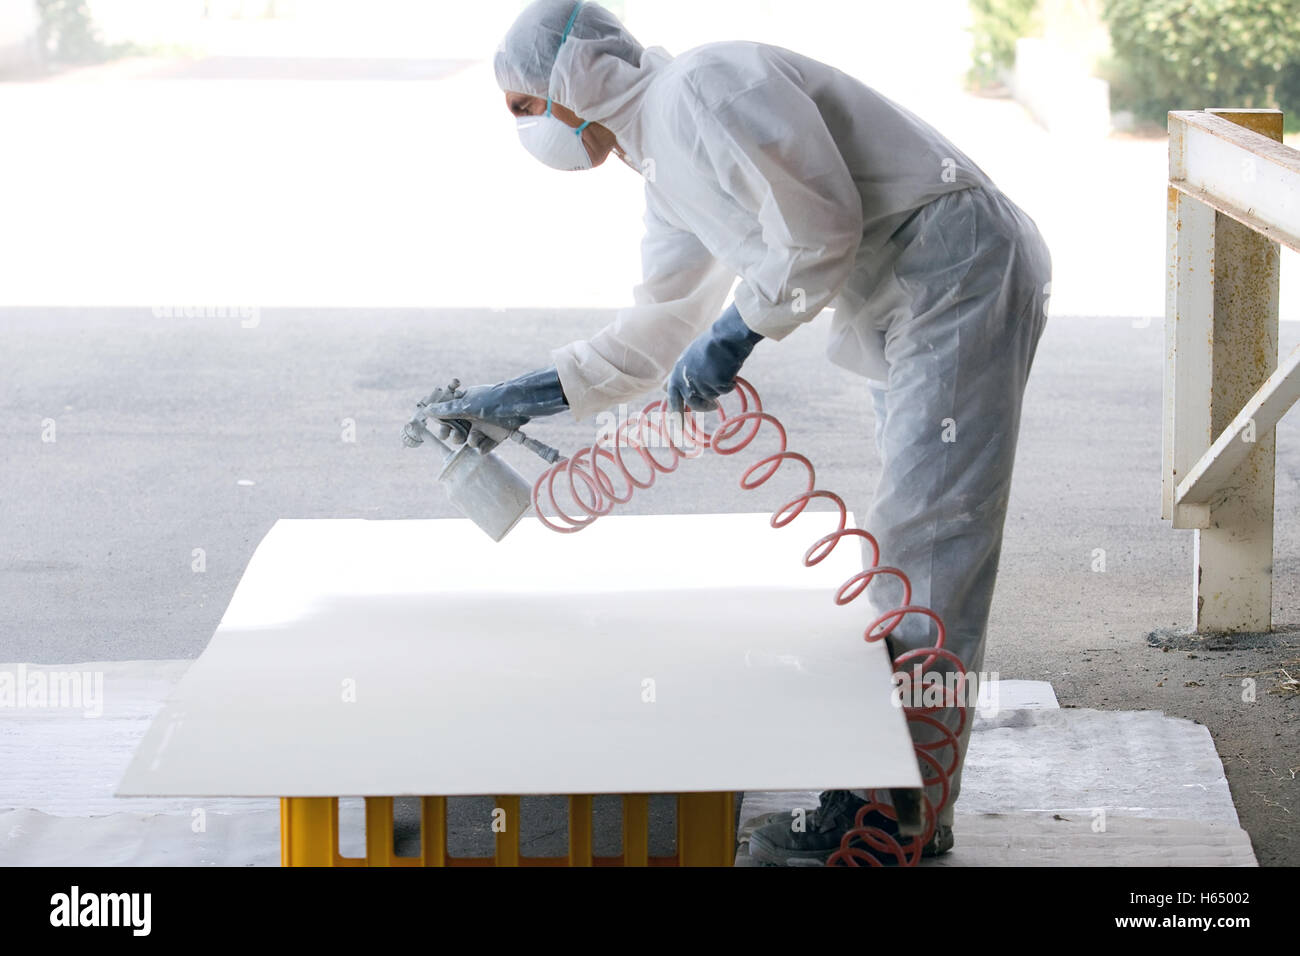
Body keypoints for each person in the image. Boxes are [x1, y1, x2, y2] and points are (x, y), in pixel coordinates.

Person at [427, 0, 1052, 865]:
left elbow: (819, 229)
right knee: (916, 538)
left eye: (524, 106)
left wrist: (734, 337)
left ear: (574, 78)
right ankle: (900, 794)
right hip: (907, 294)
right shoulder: (662, 163)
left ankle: (892, 818)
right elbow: (652, 334)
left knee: (928, 544)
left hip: (952, 268)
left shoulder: (706, 86)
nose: (528, 132)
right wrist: (518, 399)